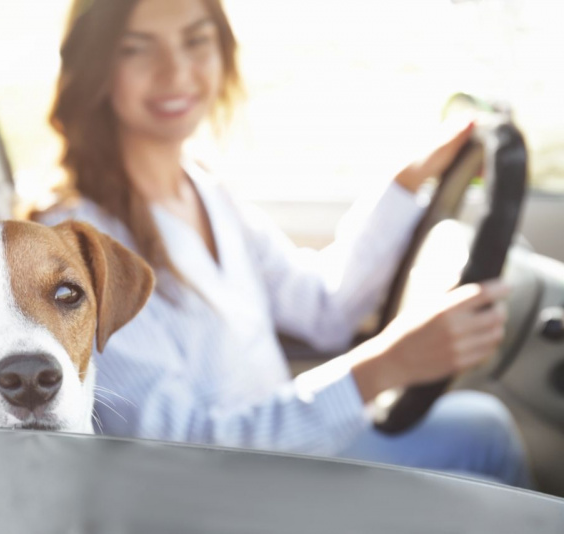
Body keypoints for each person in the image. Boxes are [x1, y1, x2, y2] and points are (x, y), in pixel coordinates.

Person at [37, 0, 530, 487]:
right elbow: (185, 447)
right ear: (97, 65)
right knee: (487, 435)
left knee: (486, 425)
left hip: (287, 450)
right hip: (236, 492)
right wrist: (382, 368)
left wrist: (409, 180)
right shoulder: (77, 251)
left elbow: (322, 308)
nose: (177, 71)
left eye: (196, 40)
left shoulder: (204, 189)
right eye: (136, 50)